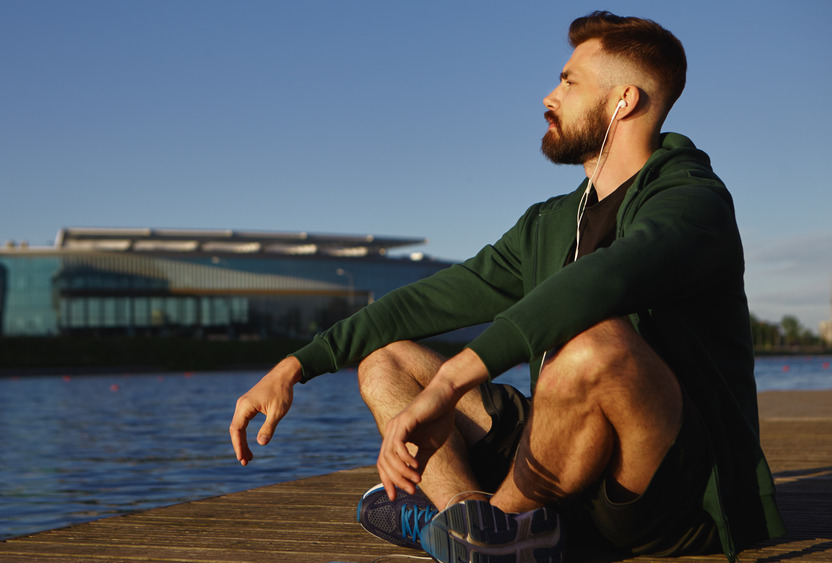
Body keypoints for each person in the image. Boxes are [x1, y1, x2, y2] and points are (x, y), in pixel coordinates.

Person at [230, 11, 784, 563]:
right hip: (570, 462)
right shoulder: (550, 223)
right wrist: (294, 367)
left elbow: (602, 281)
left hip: (672, 488)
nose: (550, 95)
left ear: (625, 101)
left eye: (569, 82)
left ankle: (480, 527)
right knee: (387, 363)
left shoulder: (692, 201)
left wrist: (450, 384)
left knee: (594, 343)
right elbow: (428, 300)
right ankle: (472, 522)